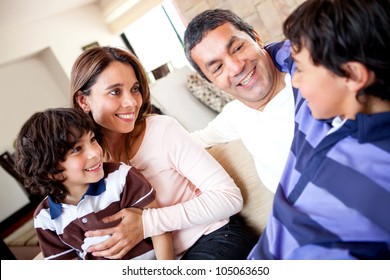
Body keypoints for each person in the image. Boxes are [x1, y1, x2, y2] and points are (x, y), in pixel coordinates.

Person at [70, 46, 257, 259]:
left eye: (135, 89)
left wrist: (146, 223)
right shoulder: (85, 163)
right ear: (83, 101)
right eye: (115, 91)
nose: (131, 102)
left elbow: (229, 197)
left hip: (214, 236)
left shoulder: (161, 130)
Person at [248, 0, 390, 259]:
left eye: (300, 69)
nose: (295, 80)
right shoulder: (329, 116)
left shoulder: (379, 170)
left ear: (353, 76)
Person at [13, 108, 174, 260]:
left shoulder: (121, 177)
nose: (95, 153)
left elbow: (159, 228)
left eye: (92, 140)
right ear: (51, 171)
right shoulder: (45, 219)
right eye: (77, 149)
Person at [184, 9, 295, 193]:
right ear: (211, 82)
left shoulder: (309, 78)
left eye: (237, 48)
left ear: (256, 38)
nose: (236, 67)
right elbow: (185, 144)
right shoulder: (235, 114)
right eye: (218, 67)